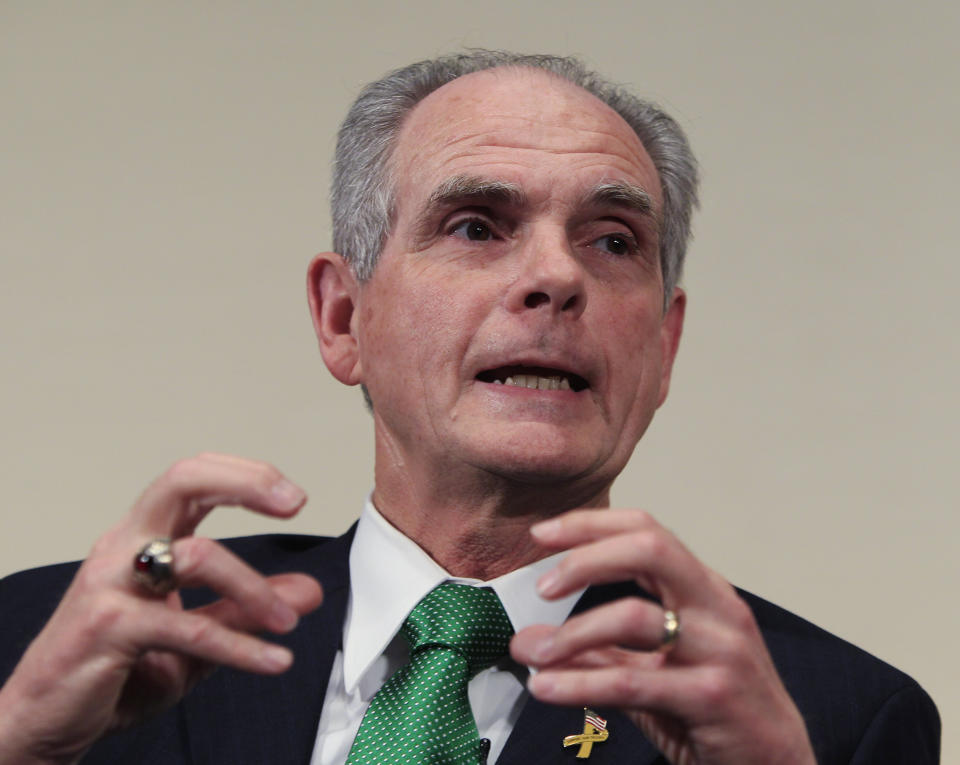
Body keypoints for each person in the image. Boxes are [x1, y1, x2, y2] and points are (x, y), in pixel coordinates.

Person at [0, 51, 940, 764]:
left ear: (662, 347)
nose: (555, 276)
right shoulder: (47, 645)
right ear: (342, 317)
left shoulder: (827, 719)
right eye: (476, 226)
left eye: (612, 241)